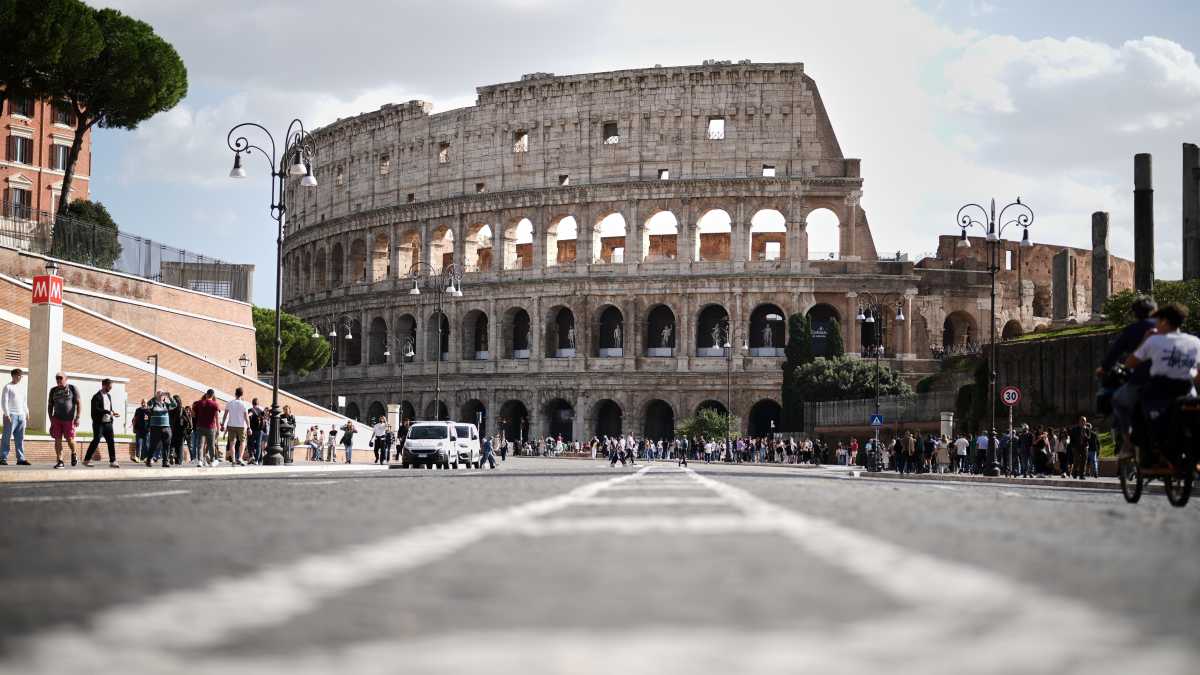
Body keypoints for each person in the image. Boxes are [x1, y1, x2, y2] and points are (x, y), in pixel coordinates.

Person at [1123, 302, 1200, 447]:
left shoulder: (1154, 340)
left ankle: (1137, 446)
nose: (1155, 325)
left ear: (1164, 322)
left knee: (1134, 404)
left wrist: (1145, 339)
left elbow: (1130, 363)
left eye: (1157, 322)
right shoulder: (1195, 342)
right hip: (1188, 392)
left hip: (1159, 391)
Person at [1098, 296, 1157, 459]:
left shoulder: (1132, 330)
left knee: (1118, 400)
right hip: (1173, 382)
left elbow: (1113, 354)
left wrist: (1103, 368)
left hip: (1141, 382)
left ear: (1134, 313)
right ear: (1155, 311)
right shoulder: (1168, 331)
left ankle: (1128, 444)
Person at [47, 372, 81, 468]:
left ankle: (74, 453)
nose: (58, 380)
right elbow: (50, 405)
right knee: (57, 440)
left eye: (60, 378)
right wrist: (51, 419)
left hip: (69, 420)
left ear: (66, 378)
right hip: (57, 419)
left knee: (70, 439)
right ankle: (60, 461)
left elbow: (79, 403)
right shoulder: (53, 390)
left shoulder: (72, 389)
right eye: (57, 378)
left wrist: (77, 417)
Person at [83, 378, 119, 467]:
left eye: (111, 387)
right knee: (96, 440)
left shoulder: (108, 396)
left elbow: (109, 408)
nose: (110, 389)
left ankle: (113, 461)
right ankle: (87, 460)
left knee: (111, 441)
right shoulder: (96, 397)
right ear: (104, 385)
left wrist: (113, 413)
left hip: (108, 423)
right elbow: (96, 410)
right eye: (109, 387)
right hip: (99, 424)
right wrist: (107, 411)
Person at [1, 368, 30, 466]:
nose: (19, 377)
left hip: (21, 415)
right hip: (11, 415)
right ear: (13, 376)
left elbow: (24, 401)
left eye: (20, 376)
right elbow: (4, 401)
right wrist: (7, 414)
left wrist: (27, 412)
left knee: (20, 438)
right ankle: (3, 458)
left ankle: (21, 459)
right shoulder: (8, 387)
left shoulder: (22, 387)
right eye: (18, 375)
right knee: (6, 437)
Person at [144, 390, 176, 468]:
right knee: (153, 445)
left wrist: (170, 396)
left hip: (166, 427)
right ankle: (148, 460)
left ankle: (165, 462)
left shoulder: (166, 405)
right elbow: (148, 405)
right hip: (155, 427)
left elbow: (174, 405)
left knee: (166, 445)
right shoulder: (153, 404)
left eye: (162, 395)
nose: (161, 396)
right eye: (159, 394)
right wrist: (155, 397)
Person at [221, 387, 250, 466]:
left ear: (235, 393)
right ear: (242, 394)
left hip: (231, 425)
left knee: (232, 443)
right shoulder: (244, 404)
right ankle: (240, 458)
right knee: (243, 442)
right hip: (241, 426)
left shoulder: (230, 403)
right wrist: (249, 427)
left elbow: (225, 415)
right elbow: (246, 417)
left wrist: (223, 424)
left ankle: (233, 460)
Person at [192, 390, 221, 466]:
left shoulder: (199, 403)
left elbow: (193, 414)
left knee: (200, 445)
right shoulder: (215, 404)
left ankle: (200, 461)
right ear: (213, 395)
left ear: (206, 394)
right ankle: (212, 461)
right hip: (211, 427)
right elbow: (217, 418)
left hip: (200, 426)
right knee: (211, 445)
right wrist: (218, 429)